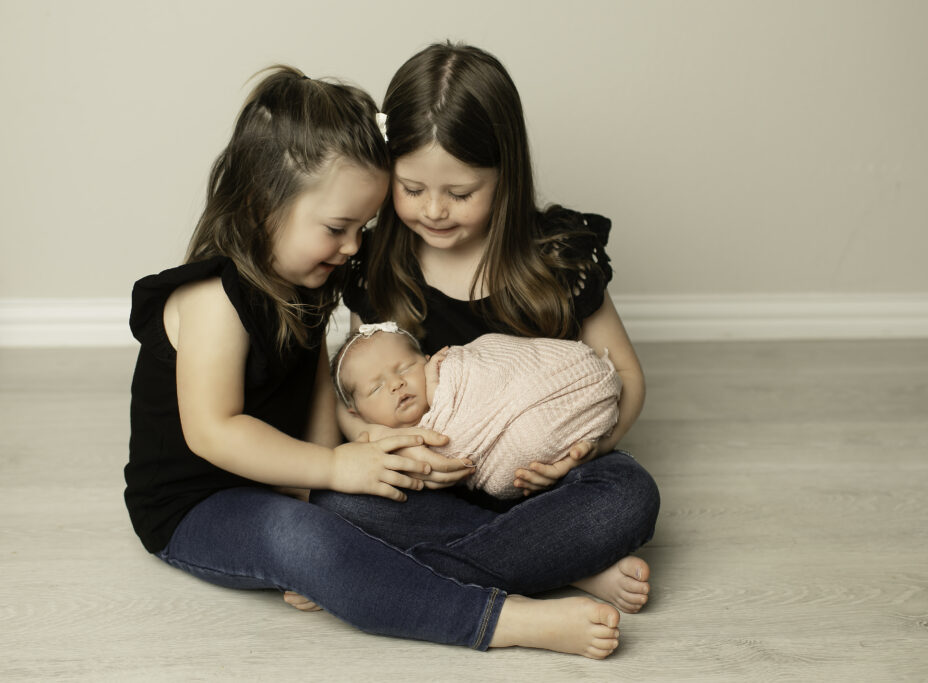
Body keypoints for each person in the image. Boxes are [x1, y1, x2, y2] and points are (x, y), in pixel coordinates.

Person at [123, 65, 625, 659]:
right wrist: (331, 471)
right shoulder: (210, 300)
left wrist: (325, 474)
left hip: (292, 475)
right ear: (263, 203)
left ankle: (548, 555)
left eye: (364, 227)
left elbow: (315, 387)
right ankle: (505, 617)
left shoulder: (307, 279)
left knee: (375, 502)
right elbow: (214, 432)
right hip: (199, 504)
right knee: (310, 540)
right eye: (339, 227)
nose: (355, 247)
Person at [310, 42, 660, 616]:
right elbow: (358, 384)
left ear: (505, 173)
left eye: (461, 193)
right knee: (333, 496)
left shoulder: (559, 255)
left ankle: (408, 574)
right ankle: (564, 564)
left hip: (544, 479)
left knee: (630, 496)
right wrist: (374, 441)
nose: (434, 211)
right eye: (412, 189)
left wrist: (588, 450)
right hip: (436, 484)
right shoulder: (378, 266)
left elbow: (624, 374)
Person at [332, 322, 622, 499]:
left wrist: (439, 390)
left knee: (627, 491)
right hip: (493, 480)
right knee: (352, 501)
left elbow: (495, 360)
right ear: (356, 412)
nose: (396, 383)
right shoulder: (378, 443)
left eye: (406, 368)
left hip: (554, 395)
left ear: (428, 359)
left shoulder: (450, 371)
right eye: (376, 388)